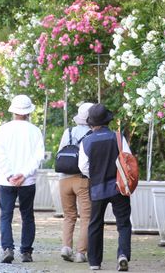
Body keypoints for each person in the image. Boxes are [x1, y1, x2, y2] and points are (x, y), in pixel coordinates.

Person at [79, 103, 132, 272]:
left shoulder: (86, 141)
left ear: (91, 123)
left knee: (95, 224)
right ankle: (122, 255)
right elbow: (128, 159)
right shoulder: (118, 137)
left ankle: (94, 262)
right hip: (119, 187)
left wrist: (95, 175)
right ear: (107, 121)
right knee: (123, 223)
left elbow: (83, 167)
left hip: (97, 189)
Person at [0, 94, 44, 264]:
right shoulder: (35, 131)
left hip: (6, 181)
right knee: (27, 215)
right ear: (29, 112)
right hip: (27, 181)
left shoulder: (3, 130)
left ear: (13, 111)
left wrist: (10, 174)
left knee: (6, 215)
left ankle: (7, 248)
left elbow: (1, 156)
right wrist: (24, 174)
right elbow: (38, 157)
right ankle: (26, 252)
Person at [58, 102, 94, 264]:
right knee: (86, 217)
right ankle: (81, 253)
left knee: (69, 216)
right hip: (82, 179)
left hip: (64, 179)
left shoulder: (68, 131)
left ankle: (66, 247)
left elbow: (61, 151)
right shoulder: (92, 134)